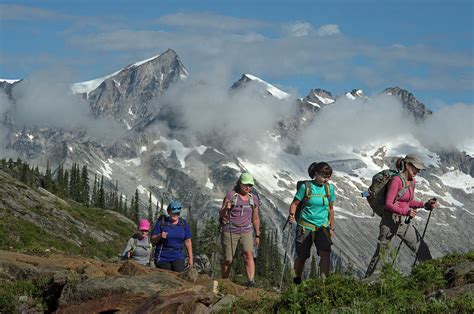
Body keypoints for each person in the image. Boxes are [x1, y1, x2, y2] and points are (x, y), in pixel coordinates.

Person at [365, 154, 438, 278]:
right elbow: (388, 204)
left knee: (421, 248)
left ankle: (431, 277)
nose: (417, 171)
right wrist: (406, 212)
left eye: (418, 169)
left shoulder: (412, 181)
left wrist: (425, 204)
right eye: (415, 168)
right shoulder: (396, 180)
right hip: (389, 221)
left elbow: (408, 202)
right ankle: (368, 284)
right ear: (407, 165)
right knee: (381, 255)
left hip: (403, 222)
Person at [288, 162, 336, 284]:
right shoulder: (306, 187)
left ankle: (324, 283)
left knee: (325, 254)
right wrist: (292, 215)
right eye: (324, 176)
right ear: (316, 174)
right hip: (305, 227)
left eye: (328, 177)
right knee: (302, 257)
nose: (326, 179)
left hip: (323, 227)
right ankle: (296, 280)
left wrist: (331, 227)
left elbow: (331, 208)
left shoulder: (329, 189)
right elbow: (294, 203)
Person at [219, 172, 260, 287]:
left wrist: (257, 235)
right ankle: (224, 282)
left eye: (250, 185)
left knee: (249, 255)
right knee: (229, 260)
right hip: (230, 230)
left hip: (247, 231)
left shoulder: (254, 199)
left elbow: (255, 218)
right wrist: (225, 208)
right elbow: (222, 214)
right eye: (246, 185)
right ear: (240, 184)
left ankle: (251, 281)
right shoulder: (231, 196)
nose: (248, 187)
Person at [151, 200, 193, 273]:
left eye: (177, 213)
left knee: (179, 277)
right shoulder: (162, 222)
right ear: (168, 212)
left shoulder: (183, 223)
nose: (175, 214)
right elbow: (152, 239)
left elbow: (188, 242)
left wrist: (191, 258)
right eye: (173, 212)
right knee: (165, 280)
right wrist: (160, 235)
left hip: (178, 256)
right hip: (162, 257)